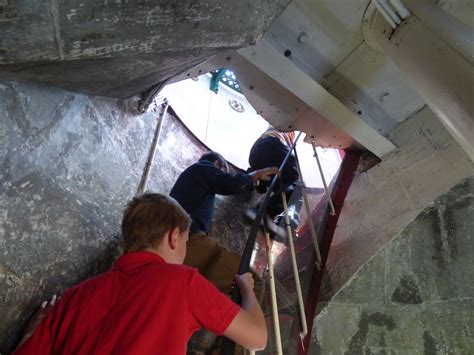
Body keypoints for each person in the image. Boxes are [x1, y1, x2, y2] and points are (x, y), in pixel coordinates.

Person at [14, 193, 267, 354]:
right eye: (186, 243)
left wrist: (30, 334)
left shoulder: (72, 297)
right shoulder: (183, 282)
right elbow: (257, 338)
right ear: (173, 237)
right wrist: (246, 286)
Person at [170, 151, 277, 292]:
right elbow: (230, 184)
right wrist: (254, 175)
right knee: (254, 282)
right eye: (223, 171)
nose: (223, 174)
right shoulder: (203, 167)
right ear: (216, 164)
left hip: (181, 240)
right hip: (190, 238)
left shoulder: (191, 180)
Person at [247, 126, 301, 224]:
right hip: (274, 144)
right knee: (298, 184)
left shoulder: (274, 124)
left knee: (279, 186)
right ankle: (263, 213)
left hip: (256, 152)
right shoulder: (291, 126)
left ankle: (250, 180)